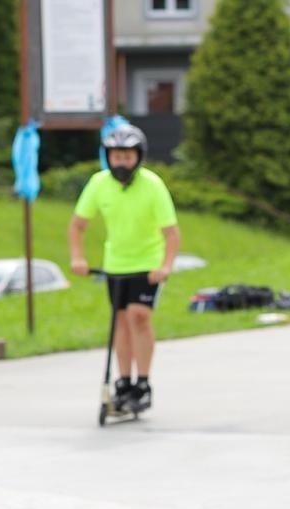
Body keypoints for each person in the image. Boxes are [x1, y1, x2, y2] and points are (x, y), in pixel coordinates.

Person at [68, 123, 179, 414]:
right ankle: (124, 381)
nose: (121, 163)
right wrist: (78, 258)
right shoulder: (99, 184)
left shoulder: (153, 185)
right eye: (116, 157)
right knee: (120, 321)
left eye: (127, 157)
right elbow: (78, 226)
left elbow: (171, 233)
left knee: (138, 316)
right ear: (108, 157)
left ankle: (142, 383)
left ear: (138, 157)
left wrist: (165, 266)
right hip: (116, 265)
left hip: (148, 265)